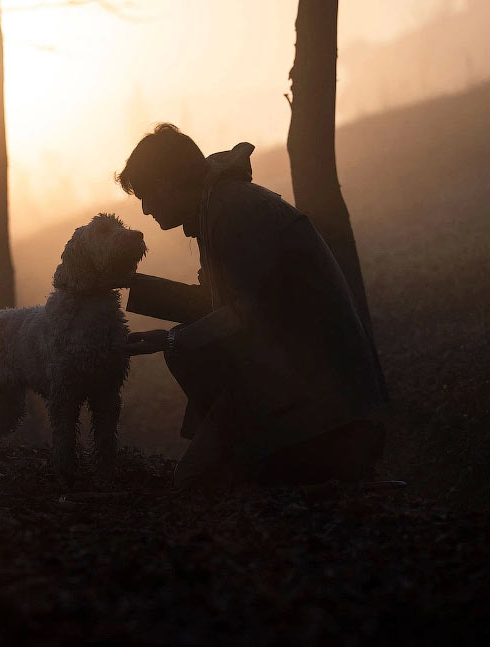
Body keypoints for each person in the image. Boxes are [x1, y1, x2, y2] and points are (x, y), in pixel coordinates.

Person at [118, 123, 387, 490]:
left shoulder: (235, 213)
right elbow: (222, 303)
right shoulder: (219, 206)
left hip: (323, 405)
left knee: (201, 483)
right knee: (197, 480)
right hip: (297, 386)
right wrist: (131, 285)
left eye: (147, 195)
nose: (146, 210)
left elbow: (247, 314)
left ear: (168, 182)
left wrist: (171, 341)